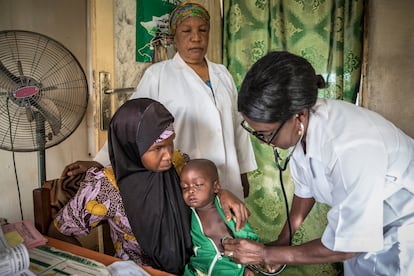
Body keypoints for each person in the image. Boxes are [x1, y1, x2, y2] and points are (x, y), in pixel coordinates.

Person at [222, 51, 414, 275]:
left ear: (299, 116)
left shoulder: (350, 147)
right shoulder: (304, 130)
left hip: (404, 231)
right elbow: (306, 191)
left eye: (267, 134)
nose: (264, 142)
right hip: (369, 229)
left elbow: (347, 246)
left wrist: (266, 253)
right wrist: (283, 240)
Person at [63, 1, 257, 200]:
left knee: (230, 226)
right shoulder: (158, 75)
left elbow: (238, 126)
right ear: (174, 37)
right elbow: (131, 124)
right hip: (187, 180)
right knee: (192, 227)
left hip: (228, 175)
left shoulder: (223, 74)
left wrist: (242, 171)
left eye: (203, 30)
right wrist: (100, 162)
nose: (196, 38)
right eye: (186, 31)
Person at [52, 98, 249, 275]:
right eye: (158, 148)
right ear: (131, 147)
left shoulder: (180, 165)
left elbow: (204, 192)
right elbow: (58, 233)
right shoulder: (106, 187)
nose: (168, 155)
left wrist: (222, 193)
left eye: (170, 144)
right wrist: (101, 268)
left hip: (195, 269)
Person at [180, 159, 258, 276]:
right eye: (184, 187)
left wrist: (249, 267)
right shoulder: (188, 213)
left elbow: (247, 237)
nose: (191, 190)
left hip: (233, 268)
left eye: (198, 185)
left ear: (216, 187)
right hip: (201, 269)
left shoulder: (226, 210)